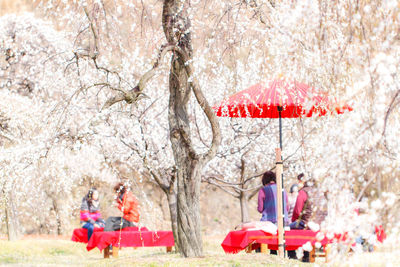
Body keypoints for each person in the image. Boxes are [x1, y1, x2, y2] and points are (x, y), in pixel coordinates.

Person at [290, 173, 327, 262]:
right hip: (320, 225)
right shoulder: (320, 192)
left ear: (303, 181)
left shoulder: (303, 192)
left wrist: (293, 220)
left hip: (306, 223)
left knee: (289, 230)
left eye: (299, 181)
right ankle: (306, 256)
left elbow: (297, 212)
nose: (298, 184)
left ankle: (292, 256)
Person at [257, 171, 290, 255]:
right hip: (284, 222)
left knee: (257, 233)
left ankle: (264, 253)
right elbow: (287, 208)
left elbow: (260, 209)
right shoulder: (283, 190)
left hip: (269, 222)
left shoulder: (263, 190)